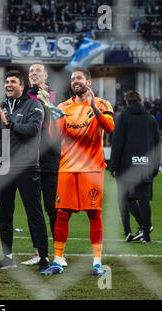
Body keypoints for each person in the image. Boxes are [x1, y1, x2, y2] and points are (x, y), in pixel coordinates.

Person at [41, 68, 114, 276]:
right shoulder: (64, 106)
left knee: (94, 214)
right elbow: (54, 136)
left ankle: (97, 263)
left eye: (79, 78)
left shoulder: (102, 104)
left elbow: (109, 128)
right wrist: (50, 109)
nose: (75, 81)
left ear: (89, 81)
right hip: (67, 168)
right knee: (62, 214)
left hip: (91, 169)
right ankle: (57, 261)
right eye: (73, 79)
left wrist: (94, 108)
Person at [0, 70, 49, 271]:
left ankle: (43, 256)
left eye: (12, 81)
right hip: (2, 166)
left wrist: (8, 122)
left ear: (21, 85)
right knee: (4, 214)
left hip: (26, 167)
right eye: (6, 82)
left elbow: (32, 130)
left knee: (34, 213)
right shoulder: (1, 107)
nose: (8, 85)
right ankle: (7, 256)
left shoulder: (34, 105)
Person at [22, 63, 62, 266]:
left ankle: (58, 253)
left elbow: (62, 123)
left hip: (51, 160)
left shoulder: (57, 96)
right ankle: (39, 252)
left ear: (46, 75)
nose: (34, 74)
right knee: (33, 210)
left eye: (38, 71)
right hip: (29, 160)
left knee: (52, 209)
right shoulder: (24, 99)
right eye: (30, 72)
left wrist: (48, 104)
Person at [109, 90, 160, 243]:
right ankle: (146, 236)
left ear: (126, 101)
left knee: (123, 199)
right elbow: (157, 145)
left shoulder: (123, 118)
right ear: (140, 101)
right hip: (145, 165)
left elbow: (117, 143)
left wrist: (113, 165)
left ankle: (128, 232)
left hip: (126, 167)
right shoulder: (151, 119)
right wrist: (155, 167)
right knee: (143, 200)